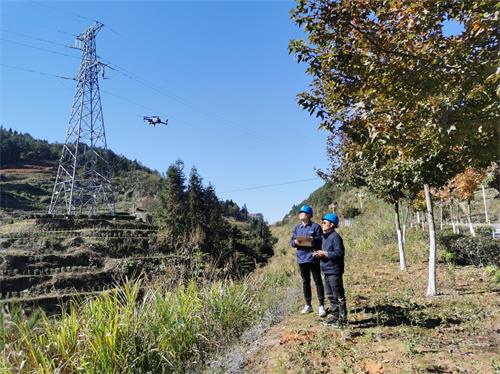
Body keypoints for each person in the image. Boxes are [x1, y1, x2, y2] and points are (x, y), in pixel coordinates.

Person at [291, 204, 326, 317]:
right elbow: (292, 242)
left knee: (317, 281)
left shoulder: (315, 227)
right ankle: (308, 305)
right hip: (302, 259)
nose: (300, 214)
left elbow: (321, 240)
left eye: (303, 212)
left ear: (309, 215)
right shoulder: (297, 228)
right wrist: (295, 242)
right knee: (305, 282)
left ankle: (321, 305)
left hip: (313, 258)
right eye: (300, 212)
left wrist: (313, 240)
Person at [313, 212, 347, 328]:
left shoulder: (335, 237)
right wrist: (319, 254)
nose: (322, 224)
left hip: (334, 271)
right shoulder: (324, 237)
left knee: (338, 296)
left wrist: (324, 253)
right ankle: (335, 317)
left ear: (332, 224)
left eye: (324, 222)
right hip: (326, 271)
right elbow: (327, 253)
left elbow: (339, 253)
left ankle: (342, 321)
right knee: (331, 296)